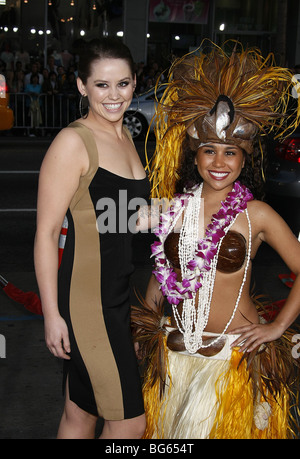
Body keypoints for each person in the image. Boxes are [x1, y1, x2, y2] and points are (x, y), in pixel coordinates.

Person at [131, 41, 300, 439]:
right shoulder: (173, 209)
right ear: (195, 156)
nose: (219, 163)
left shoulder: (255, 214)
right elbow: (163, 276)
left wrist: (277, 327)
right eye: (209, 151)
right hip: (175, 357)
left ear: (244, 159)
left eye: (230, 153)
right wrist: (142, 329)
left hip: (233, 363)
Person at [34, 37, 149, 439]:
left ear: (135, 83)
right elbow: (47, 234)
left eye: (123, 83)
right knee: (130, 423)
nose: (114, 95)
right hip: (87, 302)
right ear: (82, 86)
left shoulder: (126, 139)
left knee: (79, 413)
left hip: (116, 294)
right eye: (101, 85)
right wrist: (52, 314)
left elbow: (122, 220)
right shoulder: (73, 142)